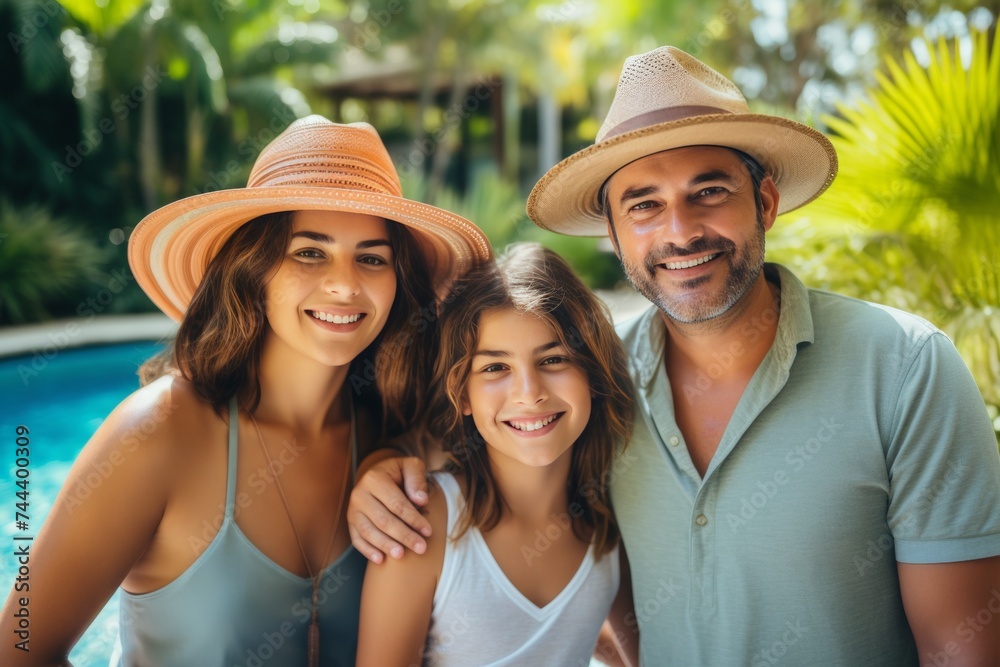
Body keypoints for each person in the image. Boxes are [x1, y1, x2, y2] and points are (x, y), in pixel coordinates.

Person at [347, 47, 1000, 666]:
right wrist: (383, 466)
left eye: (708, 191)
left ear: (764, 202)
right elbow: (496, 435)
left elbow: (961, 645)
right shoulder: (599, 378)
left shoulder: (904, 368)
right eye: (644, 205)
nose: (681, 231)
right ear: (613, 233)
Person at [0, 115, 490, 667]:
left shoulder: (396, 430)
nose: (345, 283)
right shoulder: (158, 433)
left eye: (372, 258)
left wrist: (392, 454)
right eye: (309, 251)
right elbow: (17, 650)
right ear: (253, 271)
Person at [355, 243, 637, 666]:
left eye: (554, 359)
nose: (529, 393)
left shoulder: (609, 525)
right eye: (494, 368)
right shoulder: (422, 523)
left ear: (593, 375)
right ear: (462, 395)